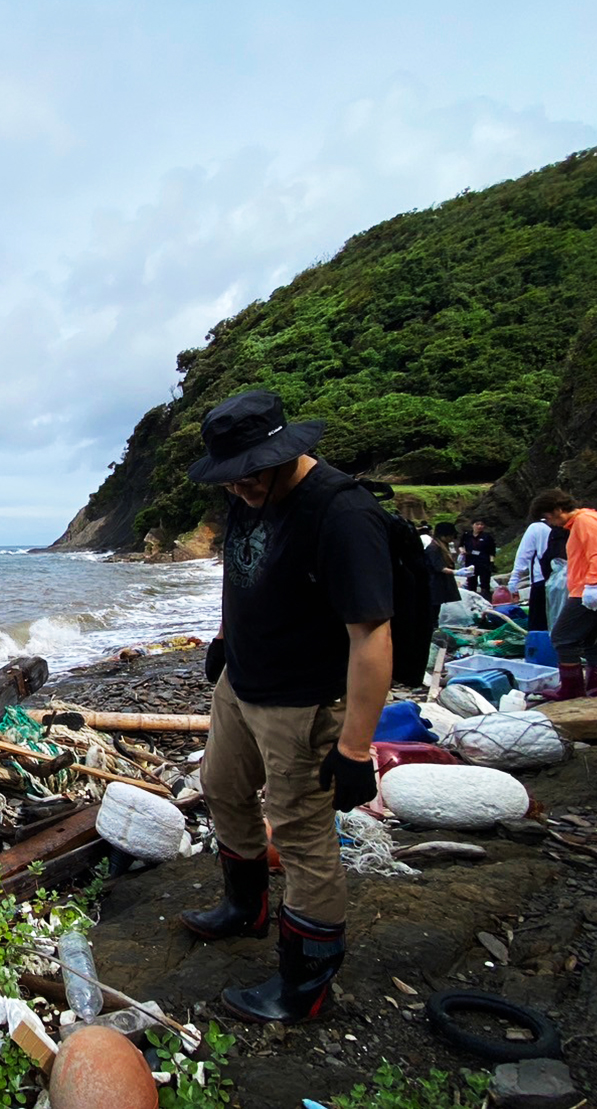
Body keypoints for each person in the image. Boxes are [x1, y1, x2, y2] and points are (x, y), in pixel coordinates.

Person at [183, 390, 392, 1024]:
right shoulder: (250, 495)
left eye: (250, 475)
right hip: (243, 683)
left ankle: (305, 982)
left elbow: (373, 633)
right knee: (220, 787)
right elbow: (239, 574)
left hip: (304, 701)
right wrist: (224, 638)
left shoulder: (342, 513)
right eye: (230, 478)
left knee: (302, 834)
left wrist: (355, 748)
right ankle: (246, 907)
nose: (238, 490)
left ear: (285, 454)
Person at [528, 488, 597, 700]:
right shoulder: (589, 520)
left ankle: (571, 689)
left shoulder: (585, 522)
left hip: (593, 591)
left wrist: (592, 584)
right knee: (593, 641)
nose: (550, 523)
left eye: (548, 517)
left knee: (562, 637)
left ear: (557, 509)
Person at [508, 515, 568, 632]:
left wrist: (514, 579)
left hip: (540, 580)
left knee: (538, 623)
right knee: (558, 618)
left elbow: (524, 554)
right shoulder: (566, 526)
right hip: (564, 580)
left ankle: (541, 647)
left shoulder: (536, 527)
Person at [422, 520, 461, 629]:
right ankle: (432, 629)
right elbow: (439, 567)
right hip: (433, 583)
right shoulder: (434, 548)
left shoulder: (443, 547)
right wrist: (457, 572)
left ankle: (434, 627)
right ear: (443, 536)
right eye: (450, 536)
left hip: (438, 582)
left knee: (436, 608)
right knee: (433, 609)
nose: (452, 539)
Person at [460, 519, 497, 596]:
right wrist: (462, 551)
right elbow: (460, 545)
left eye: (481, 525)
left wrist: (491, 562)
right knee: (471, 582)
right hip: (470, 561)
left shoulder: (487, 537)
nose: (479, 526)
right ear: (473, 525)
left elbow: (492, 551)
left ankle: (486, 597)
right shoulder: (467, 535)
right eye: (477, 524)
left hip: (484, 561)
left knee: (485, 583)